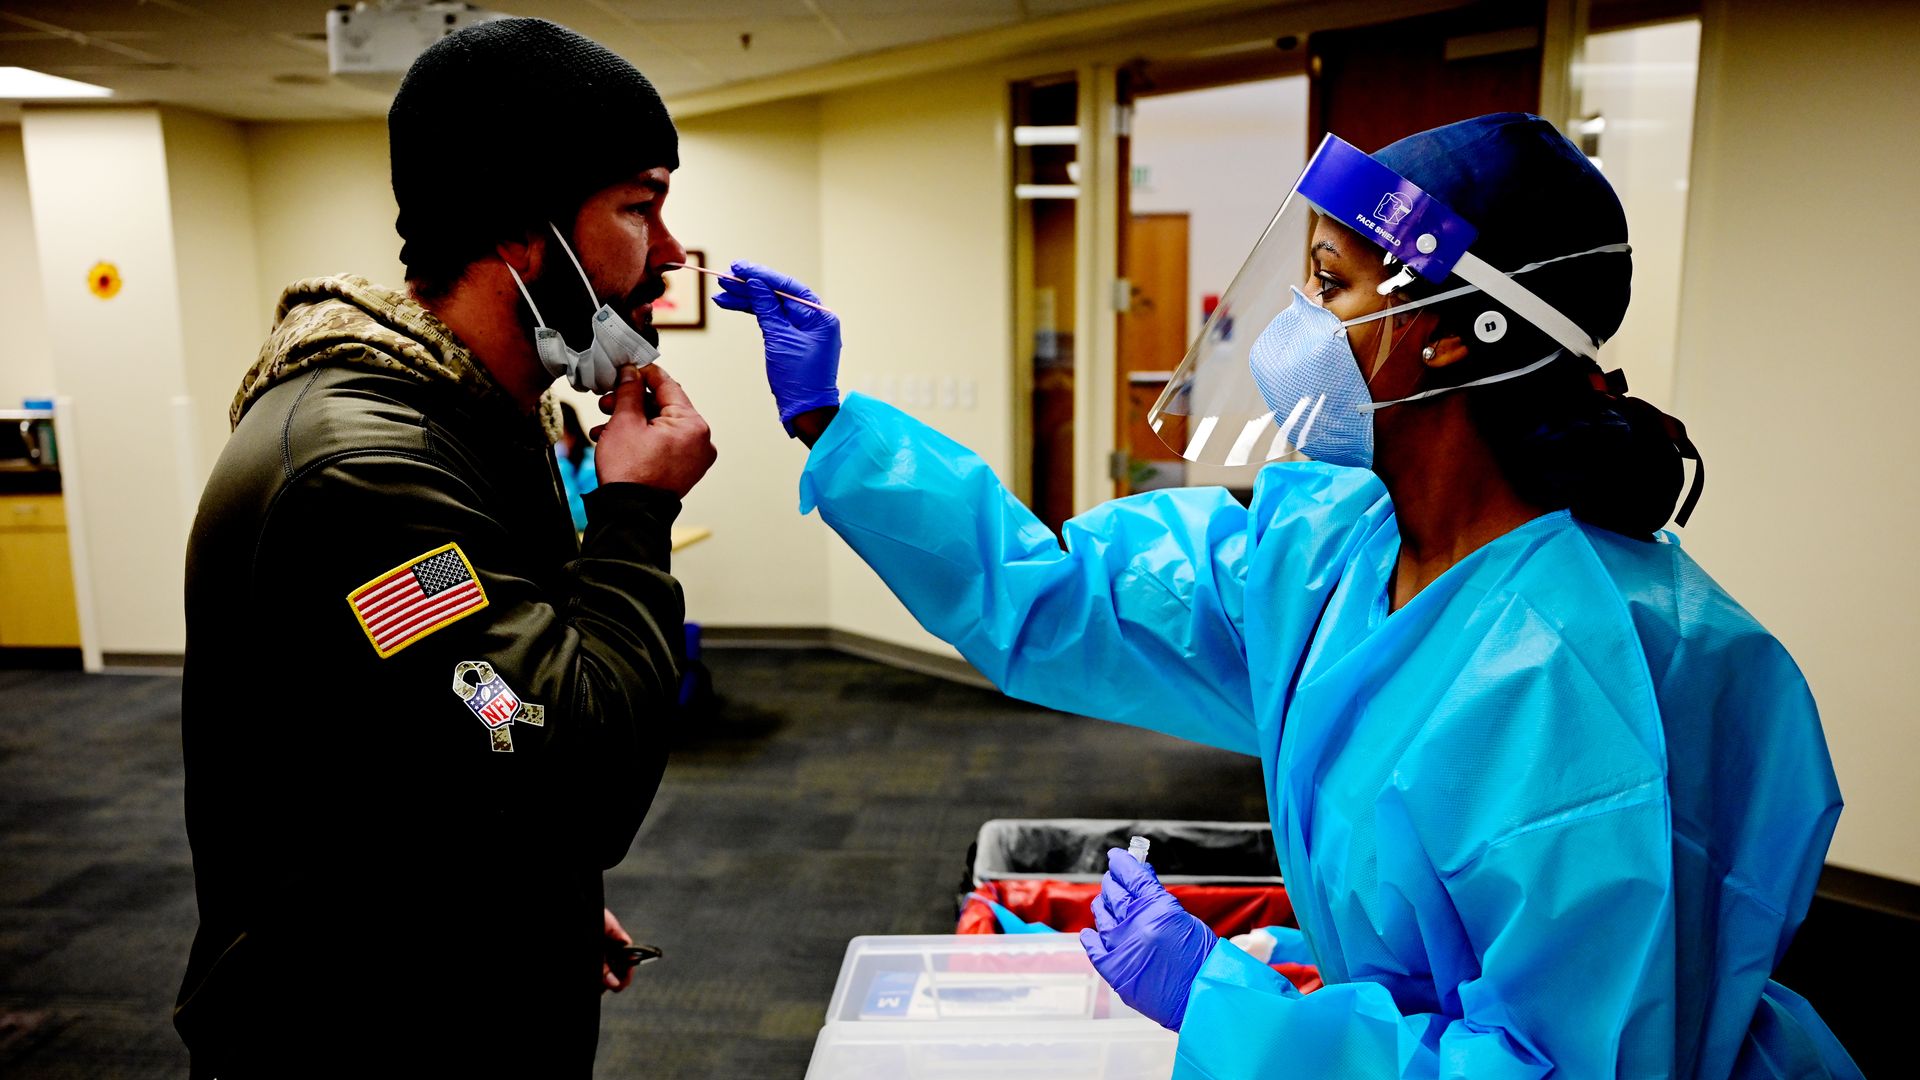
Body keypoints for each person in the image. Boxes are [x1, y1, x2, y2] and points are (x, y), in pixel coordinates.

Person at [720, 114, 1860, 1079]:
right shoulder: (1330, 547)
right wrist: (836, 427)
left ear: (1459, 338)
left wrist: (1234, 1007)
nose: (1296, 325)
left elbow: (1557, 1065)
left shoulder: (1578, 679)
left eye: (1332, 284)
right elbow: (1061, 597)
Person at [176, 19, 714, 1078]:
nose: (668, 254)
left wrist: (523, 903)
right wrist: (634, 516)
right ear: (523, 230)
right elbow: (570, 770)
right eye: (638, 207)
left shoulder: (469, 423)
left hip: (429, 989)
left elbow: (462, 726)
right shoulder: (365, 481)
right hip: (358, 1038)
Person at [556, 401, 600, 532]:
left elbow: (581, 518)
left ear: (572, 436)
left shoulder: (592, 465)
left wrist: (561, 468)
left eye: (558, 439)